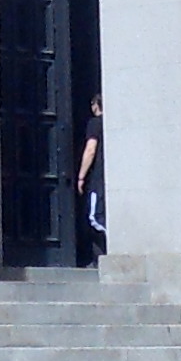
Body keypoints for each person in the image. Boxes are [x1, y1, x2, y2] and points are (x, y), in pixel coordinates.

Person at [75, 92, 105, 264]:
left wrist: (81, 177)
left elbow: (90, 150)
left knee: (95, 218)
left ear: (96, 105)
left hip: (97, 179)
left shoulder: (95, 123)